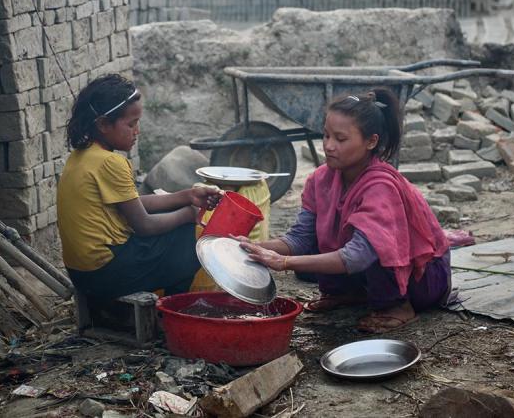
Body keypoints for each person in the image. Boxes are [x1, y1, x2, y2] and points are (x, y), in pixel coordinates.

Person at [239, 88, 451, 333]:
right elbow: (301, 238)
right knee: (318, 249)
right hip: (367, 268)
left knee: (375, 244)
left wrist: (283, 262)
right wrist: (255, 248)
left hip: (420, 280)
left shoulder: (380, 187)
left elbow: (358, 255)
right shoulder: (321, 179)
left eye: (340, 139)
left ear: (371, 141)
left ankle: (397, 306)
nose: (329, 146)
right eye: (326, 135)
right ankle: (350, 293)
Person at [57, 73, 222, 299]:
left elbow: (131, 203)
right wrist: (188, 213)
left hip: (82, 272)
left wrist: (188, 196)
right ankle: (171, 312)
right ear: (103, 124)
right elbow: (144, 224)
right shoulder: (111, 163)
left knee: (171, 220)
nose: (137, 131)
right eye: (131, 124)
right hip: (104, 273)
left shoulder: (82, 156)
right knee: (187, 240)